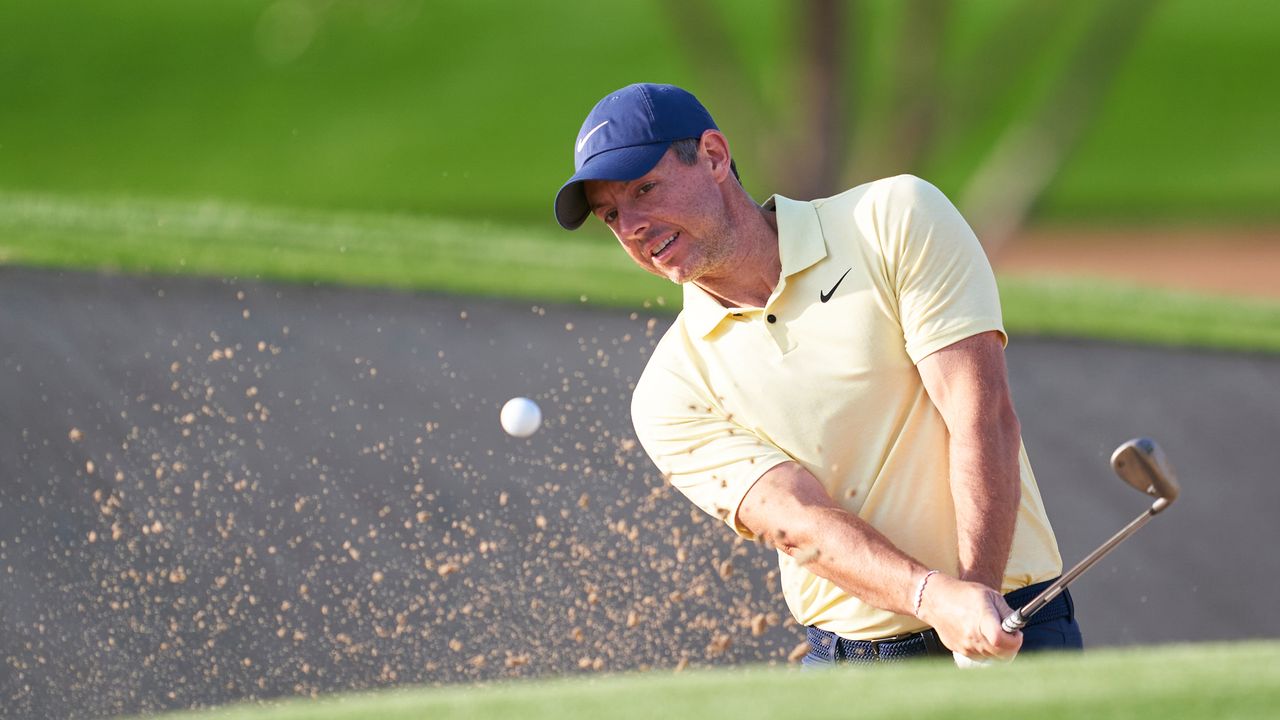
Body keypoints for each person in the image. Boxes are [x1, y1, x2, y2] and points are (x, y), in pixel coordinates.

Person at [552, 83, 1083, 665]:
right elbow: (799, 523)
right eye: (610, 215)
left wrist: (975, 597)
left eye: (644, 190)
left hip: (1016, 617)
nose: (630, 225)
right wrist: (940, 602)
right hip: (857, 662)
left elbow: (979, 413)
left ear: (713, 155)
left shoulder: (892, 218)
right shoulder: (670, 391)